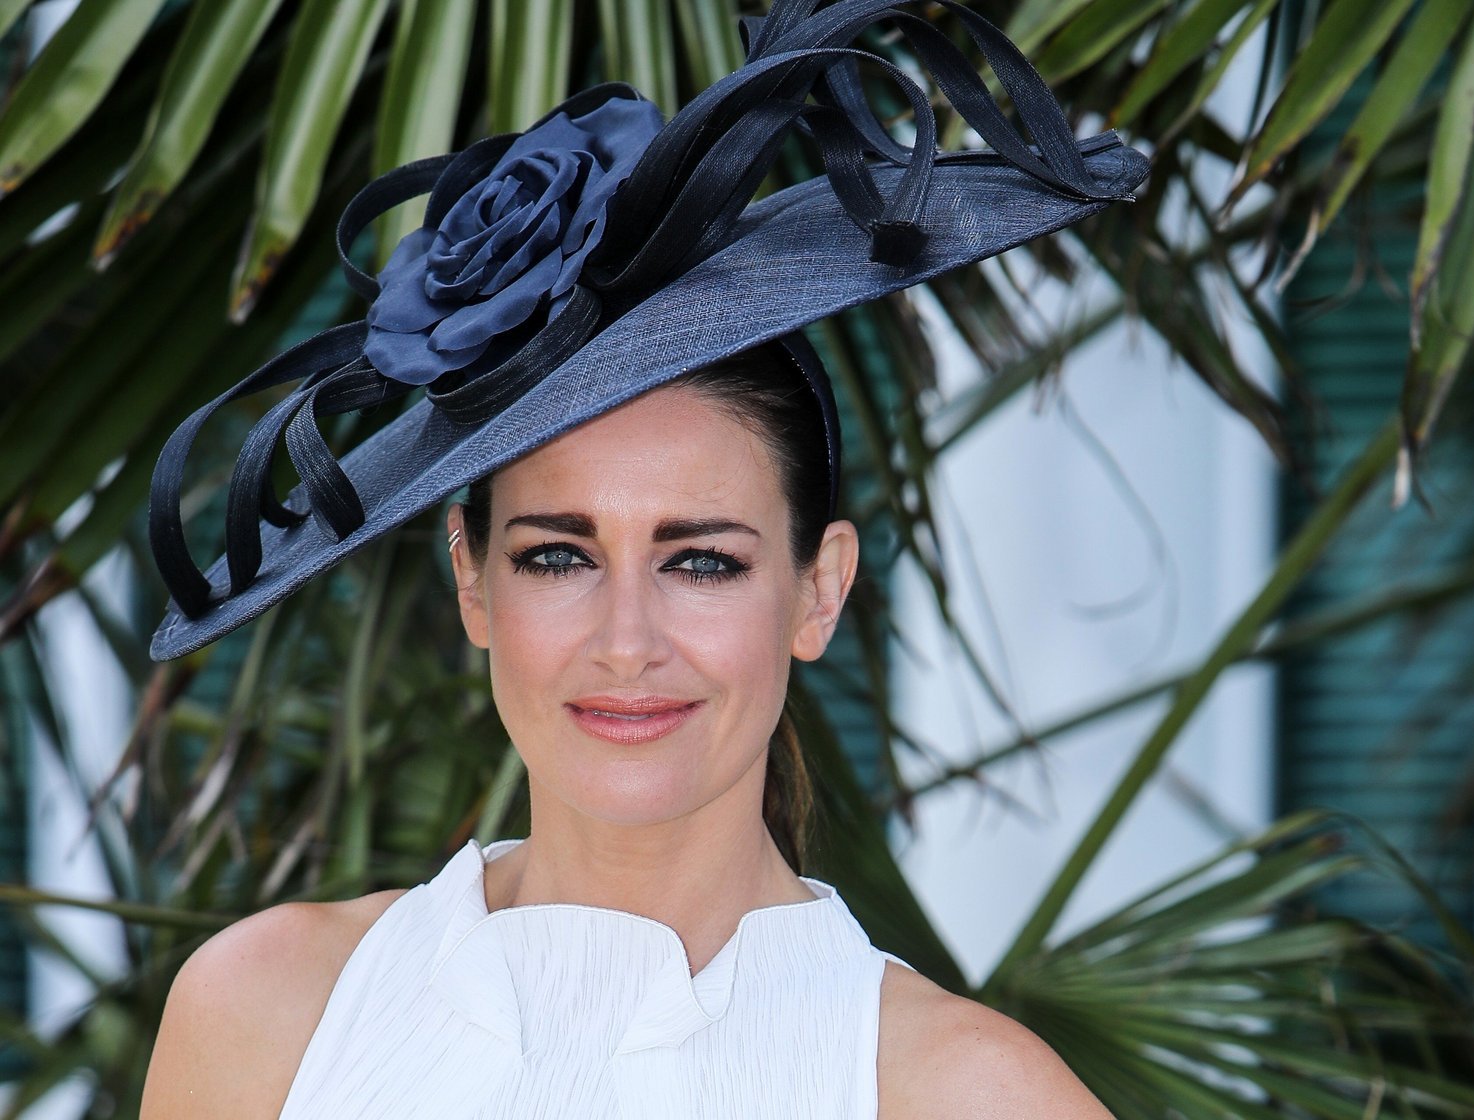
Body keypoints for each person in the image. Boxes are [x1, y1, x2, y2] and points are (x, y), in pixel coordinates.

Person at [136, 2, 1147, 1115]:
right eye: (557, 557)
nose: (626, 641)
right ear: (470, 577)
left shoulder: (966, 1093)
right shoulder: (263, 1012)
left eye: (702, 562)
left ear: (821, 588)